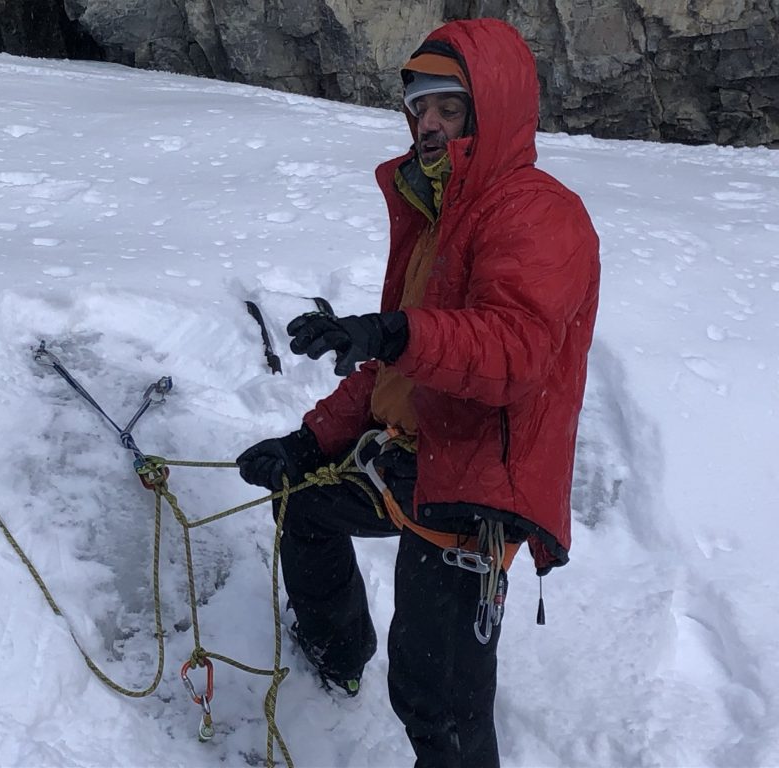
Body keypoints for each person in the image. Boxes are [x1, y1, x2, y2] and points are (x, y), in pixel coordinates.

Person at [235, 17, 601, 768]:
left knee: (436, 701)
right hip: (409, 454)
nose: (426, 124)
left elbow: (514, 351)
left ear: (488, 110)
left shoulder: (535, 211)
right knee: (303, 499)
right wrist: (311, 440)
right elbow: (396, 366)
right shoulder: (440, 210)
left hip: (474, 484)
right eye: (418, 107)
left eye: (448, 107)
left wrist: (394, 331)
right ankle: (337, 657)